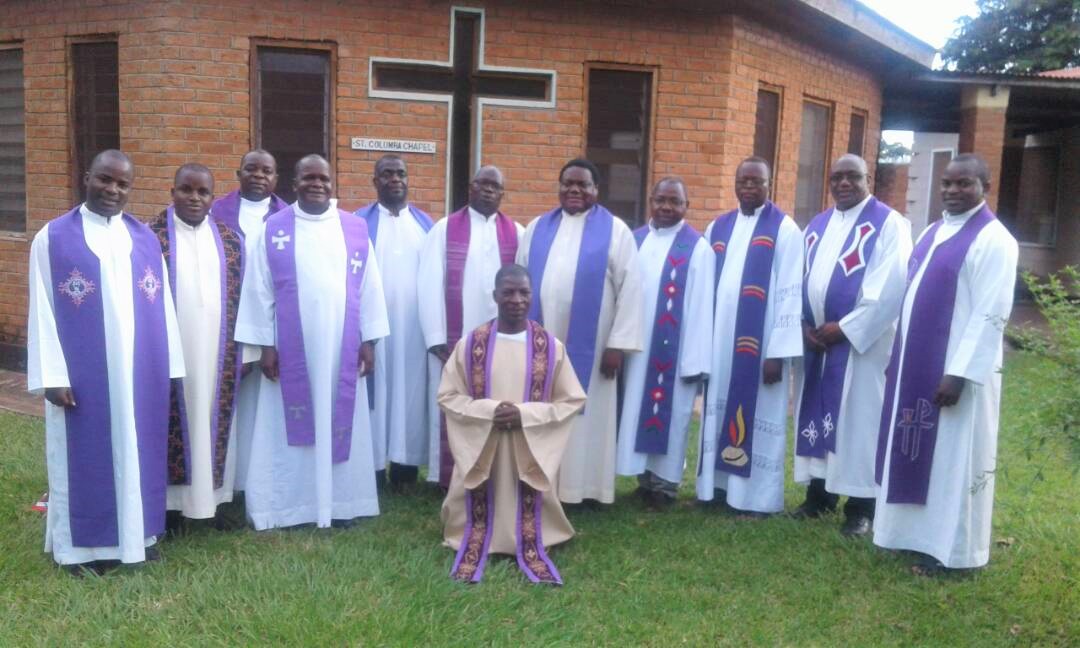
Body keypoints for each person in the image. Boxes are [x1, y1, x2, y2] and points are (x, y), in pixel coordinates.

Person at [27, 150, 184, 574]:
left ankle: (138, 536)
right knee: (85, 457)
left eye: (122, 184)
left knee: (138, 453)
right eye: (104, 180)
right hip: (82, 378)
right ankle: (81, 551)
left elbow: (162, 303)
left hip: (138, 374)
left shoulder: (144, 238)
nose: (113, 190)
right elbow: (41, 309)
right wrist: (51, 376)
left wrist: (168, 366)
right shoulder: (54, 237)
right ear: (86, 178)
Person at [873, 154, 1018, 574]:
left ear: (985, 187)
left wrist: (958, 373)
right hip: (915, 368)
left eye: (964, 184)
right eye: (948, 184)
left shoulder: (995, 240)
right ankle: (909, 537)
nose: (953, 191)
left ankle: (954, 554)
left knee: (954, 462)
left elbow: (992, 312)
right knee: (917, 454)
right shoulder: (934, 231)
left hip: (955, 377)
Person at [235, 154, 389, 529]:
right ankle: (289, 508)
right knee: (288, 431)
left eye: (323, 178)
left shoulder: (354, 229)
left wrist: (368, 340)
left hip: (342, 347)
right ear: (295, 182)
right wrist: (266, 347)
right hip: (291, 351)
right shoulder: (274, 229)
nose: (316, 184)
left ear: (332, 183)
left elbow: (369, 287)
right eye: (308, 178)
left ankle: (343, 505)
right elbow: (259, 290)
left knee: (341, 421)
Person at [439, 264, 586, 584]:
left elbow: (571, 400)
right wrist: (490, 411)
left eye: (524, 292)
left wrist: (526, 415)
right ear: (495, 295)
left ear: (533, 296)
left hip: (528, 447)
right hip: (484, 446)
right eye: (508, 292)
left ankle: (536, 531)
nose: (517, 299)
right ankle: (476, 528)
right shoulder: (471, 344)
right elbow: (448, 395)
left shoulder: (550, 347)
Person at [792, 154, 912, 537]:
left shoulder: (890, 224)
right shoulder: (817, 225)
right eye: (836, 177)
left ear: (868, 178)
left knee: (860, 423)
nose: (844, 183)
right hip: (818, 347)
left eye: (852, 177)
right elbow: (799, 280)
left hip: (861, 349)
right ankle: (819, 496)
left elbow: (891, 287)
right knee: (818, 415)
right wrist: (803, 327)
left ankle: (861, 508)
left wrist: (845, 328)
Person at [516, 158, 642, 505]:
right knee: (543, 407)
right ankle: (543, 483)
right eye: (567, 183)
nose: (574, 190)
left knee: (589, 415)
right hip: (542, 338)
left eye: (582, 184)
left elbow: (631, 290)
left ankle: (584, 490)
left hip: (596, 346)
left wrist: (618, 345)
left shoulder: (616, 231)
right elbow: (519, 283)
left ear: (595, 191)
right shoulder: (537, 227)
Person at [696, 157, 803, 517]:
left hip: (759, 351)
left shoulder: (785, 230)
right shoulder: (718, 227)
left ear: (769, 185)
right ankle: (718, 489)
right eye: (743, 180)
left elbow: (791, 292)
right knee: (720, 410)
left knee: (756, 413)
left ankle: (755, 499)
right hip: (720, 343)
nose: (749, 187)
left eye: (757, 181)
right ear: (735, 182)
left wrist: (778, 353)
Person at [148, 164, 247, 530]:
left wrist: (247, 354)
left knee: (214, 423)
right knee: (174, 421)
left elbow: (247, 300)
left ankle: (212, 504)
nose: (194, 198)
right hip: (170, 353)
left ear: (212, 197)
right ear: (172, 192)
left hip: (220, 355)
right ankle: (171, 509)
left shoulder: (231, 240)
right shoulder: (149, 238)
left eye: (203, 192)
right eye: (186, 190)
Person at [418, 165, 524, 488]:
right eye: (482, 184)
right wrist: (437, 336)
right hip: (455, 337)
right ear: (470, 188)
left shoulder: (517, 233)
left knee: (495, 400)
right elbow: (428, 283)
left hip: (501, 339)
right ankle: (449, 475)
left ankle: (495, 472)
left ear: (503, 194)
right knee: (455, 401)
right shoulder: (444, 229)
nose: (488, 190)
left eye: (495, 186)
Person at [615, 178, 713, 508]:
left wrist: (695, 360)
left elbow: (702, 307)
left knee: (673, 417)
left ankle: (665, 486)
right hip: (637, 348)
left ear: (687, 206)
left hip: (675, 352)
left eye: (675, 201)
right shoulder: (635, 240)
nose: (667, 207)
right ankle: (643, 479)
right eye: (661, 200)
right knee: (634, 414)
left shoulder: (696, 247)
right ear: (650, 201)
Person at [209, 149, 288, 495]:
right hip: (224, 324)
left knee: (264, 407)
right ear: (238, 173)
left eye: (267, 171)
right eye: (252, 169)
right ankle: (230, 483)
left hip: (273, 327)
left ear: (276, 179)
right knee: (232, 406)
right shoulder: (215, 213)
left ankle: (262, 480)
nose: (259, 175)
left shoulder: (289, 216)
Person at [355, 154, 434, 488]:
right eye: (386, 174)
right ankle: (370, 469)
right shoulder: (356, 223)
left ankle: (405, 469)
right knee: (374, 394)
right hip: (373, 329)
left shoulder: (426, 225)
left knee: (410, 394)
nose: (395, 180)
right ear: (375, 182)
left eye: (400, 174)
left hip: (415, 330)